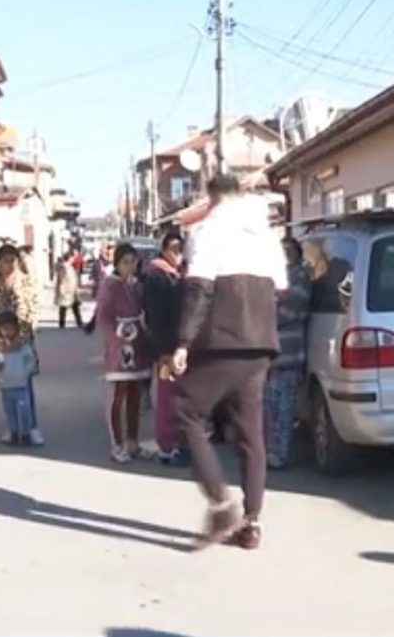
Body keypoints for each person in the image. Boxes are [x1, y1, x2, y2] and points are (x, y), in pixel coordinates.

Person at [167, 174, 287, 551]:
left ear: (213, 197)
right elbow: (280, 289)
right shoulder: (267, 236)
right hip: (260, 342)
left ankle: (221, 505)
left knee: (186, 411)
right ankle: (252, 523)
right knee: (250, 432)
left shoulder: (207, 230)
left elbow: (199, 291)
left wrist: (183, 343)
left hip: (220, 339)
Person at [95, 243, 152, 463]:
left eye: (133, 262)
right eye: (125, 262)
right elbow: (103, 317)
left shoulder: (137, 286)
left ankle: (133, 442)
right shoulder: (110, 286)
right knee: (118, 396)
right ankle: (117, 445)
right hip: (119, 347)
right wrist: (116, 337)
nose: (130, 266)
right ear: (117, 264)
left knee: (135, 396)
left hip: (137, 345)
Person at [0, 244, 44, 444]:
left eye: (13, 260)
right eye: (5, 260)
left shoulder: (27, 282)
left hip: (22, 344)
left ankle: (31, 427)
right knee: (7, 389)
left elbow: (33, 311)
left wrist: (21, 340)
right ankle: (12, 427)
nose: (10, 264)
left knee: (25, 387)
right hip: (1, 344)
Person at [263, 237, 311, 470]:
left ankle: (279, 455)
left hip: (289, 354)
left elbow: (290, 311)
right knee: (269, 408)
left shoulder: (299, 277)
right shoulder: (275, 276)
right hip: (271, 355)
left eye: (288, 251)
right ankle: (270, 451)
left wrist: (264, 317)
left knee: (283, 409)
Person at [142, 231, 189, 466]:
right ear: (163, 250)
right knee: (167, 397)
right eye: (173, 248)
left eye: (180, 248)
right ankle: (167, 447)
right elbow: (156, 317)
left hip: (178, 346)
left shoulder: (178, 274)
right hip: (166, 347)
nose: (177, 253)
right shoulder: (157, 276)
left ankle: (176, 443)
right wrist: (162, 351)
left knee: (177, 396)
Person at [0, 311, 39, 446]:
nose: (7, 332)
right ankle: (14, 432)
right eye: (4, 329)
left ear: (16, 329)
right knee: (9, 411)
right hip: (5, 386)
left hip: (21, 385)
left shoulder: (23, 348)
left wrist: (26, 372)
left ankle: (26, 433)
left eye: (10, 328)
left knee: (23, 410)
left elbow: (31, 361)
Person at [55, 248, 82, 329]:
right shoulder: (64, 267)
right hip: (66, 290)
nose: (73, 259)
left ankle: (79, 322)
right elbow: (62, 278)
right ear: (69, 258)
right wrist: (62, 289)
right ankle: (62, 323)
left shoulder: (69, 267)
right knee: (63, 307)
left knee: (75, 306)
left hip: (72, 290)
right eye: (72, 258)